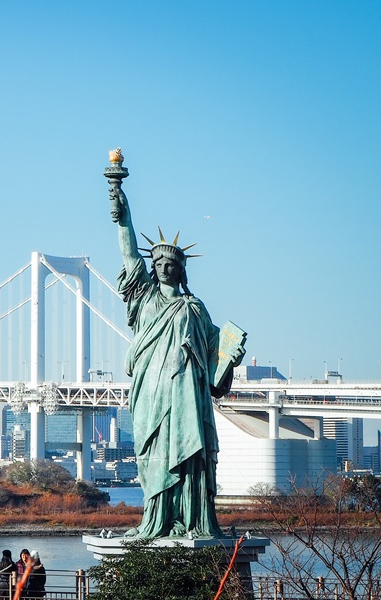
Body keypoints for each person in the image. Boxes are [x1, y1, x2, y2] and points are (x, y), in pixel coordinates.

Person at [109, 165, 244, 539]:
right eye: (159, 263)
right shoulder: (144, 295)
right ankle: (157, 518)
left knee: (190, 454)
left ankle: (191, 517)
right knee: (154, 453)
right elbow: (127, 253)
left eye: (172, 264)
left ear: (182, 271)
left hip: (187, 391)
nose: (165, 267)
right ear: (153, 268)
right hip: (151, 391)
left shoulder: (195, 309)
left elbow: (217, 359)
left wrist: (230, 359)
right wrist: (123, 212)